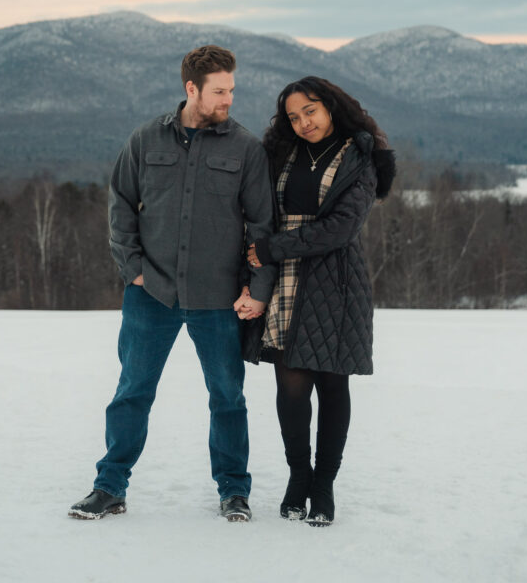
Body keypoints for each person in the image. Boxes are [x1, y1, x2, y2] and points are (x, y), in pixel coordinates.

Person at [69, 45, 275, 523]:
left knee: (228, 397)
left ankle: (233, 492)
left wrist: (257, 289)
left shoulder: (245, 149)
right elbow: (120, 203)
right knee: (131, 393)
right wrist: (133, 267)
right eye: (219, 91)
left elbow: (262, 228)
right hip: (151, 294)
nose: (228, 99)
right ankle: (109, 487)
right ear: (191, 89)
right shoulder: (145, 140)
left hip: (218, 297)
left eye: (231, 90)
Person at [246, 76, 395, 527]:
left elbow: (341, 228)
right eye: (293, 116)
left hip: (336, 279)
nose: (303, 122)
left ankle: (324, 486)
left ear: (330, 106)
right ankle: (298, 477)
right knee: (290, 386)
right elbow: (258, 211)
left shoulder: (360, 157)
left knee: (332, 384)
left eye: (310, 110)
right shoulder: (281, 155)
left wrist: (274, 247)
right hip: (288, 280)